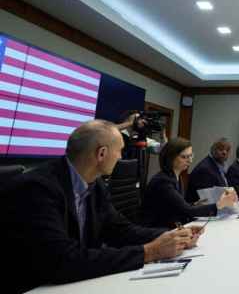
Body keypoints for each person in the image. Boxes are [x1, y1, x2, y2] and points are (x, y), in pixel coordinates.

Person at [1, 120, 199, 293]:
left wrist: (173, 236)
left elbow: (119, 230)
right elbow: (61, 260)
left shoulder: (94, 184)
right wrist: (149, 252)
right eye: (120, 150)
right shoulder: (38, 188)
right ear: (102, 153)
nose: (121, 157)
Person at [142, 137, 237, 229]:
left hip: (171, 226)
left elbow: (179, 207)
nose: (190, 160)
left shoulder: (176, 176)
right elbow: (188, 211)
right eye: (184, 157)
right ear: (171, 157)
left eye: (191, 155)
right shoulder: (163, 181)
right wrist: (219, 205)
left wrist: (195, 204)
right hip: (156, 231)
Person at [185, 138, 233, 203]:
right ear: (213, 150)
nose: (224, 152)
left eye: (227, 150)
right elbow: (206, 200)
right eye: (221, 149)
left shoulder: (220, 166)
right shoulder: (205, 169)